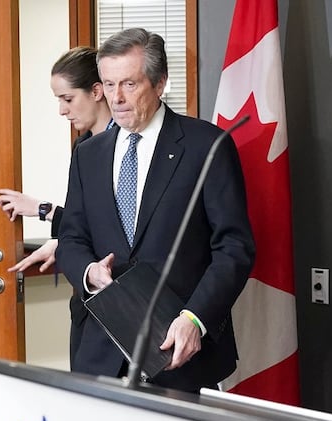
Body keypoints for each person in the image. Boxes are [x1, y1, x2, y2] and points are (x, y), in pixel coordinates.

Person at [56, 28, 255, 392]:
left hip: (179, 351)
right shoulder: (88, 154)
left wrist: (196, 318)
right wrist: (88, 271)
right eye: (108, 84)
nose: (116, 98)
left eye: (129, 84)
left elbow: (234, 248)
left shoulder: (206, 146)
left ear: (160, 82)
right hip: (100, 350)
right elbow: (70, 237)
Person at [0, 46, 114, 274]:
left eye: (68, 99)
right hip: (86, 285)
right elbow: (80, 223)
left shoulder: (128, 146)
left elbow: (107, 227)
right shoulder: (82, 148)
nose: (62, 110)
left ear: (96, 91)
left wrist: (43, 210)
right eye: (59, 100)